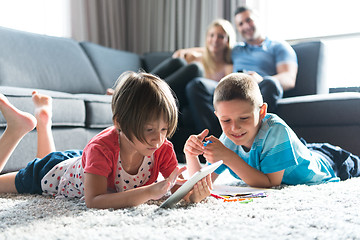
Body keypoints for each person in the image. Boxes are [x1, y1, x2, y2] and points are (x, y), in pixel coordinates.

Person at [0, 72, 210, 209]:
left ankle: (43, 119)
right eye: (149, 129)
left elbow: (171, 186)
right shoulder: (101, 148)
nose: (158, 138)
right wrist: (148, 192)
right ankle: (16, 128)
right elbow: (94, 201)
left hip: (83, 164)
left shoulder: (162, 148)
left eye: (164, 129)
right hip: (51, 171)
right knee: (44, 167)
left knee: (59, 160)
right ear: (119, 122)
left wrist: (190, 194)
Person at [184, 73, 360, 193]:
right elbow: (202, 182)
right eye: (226, 120)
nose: (234, 128)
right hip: (296, 151)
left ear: (261, 112)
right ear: (217, 116)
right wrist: (191, 154)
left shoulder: (275, 129)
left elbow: (270, 183)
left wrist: (229, 157)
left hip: (331, 161)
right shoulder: (228, 139)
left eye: (244, 118)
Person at [186, 6, 298, 138]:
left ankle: (255, 141)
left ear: (257, 20)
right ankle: (214, 142)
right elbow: (212, 47)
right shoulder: (236, 49)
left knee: (271, 83)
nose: (246, 26)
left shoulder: (278, 47)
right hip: (232, 87)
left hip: (259, 87)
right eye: (240, 24)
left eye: (248, 20)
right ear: (238, 29)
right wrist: (185, 52)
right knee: (197, 85)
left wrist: (260, 79)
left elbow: (289, 78)